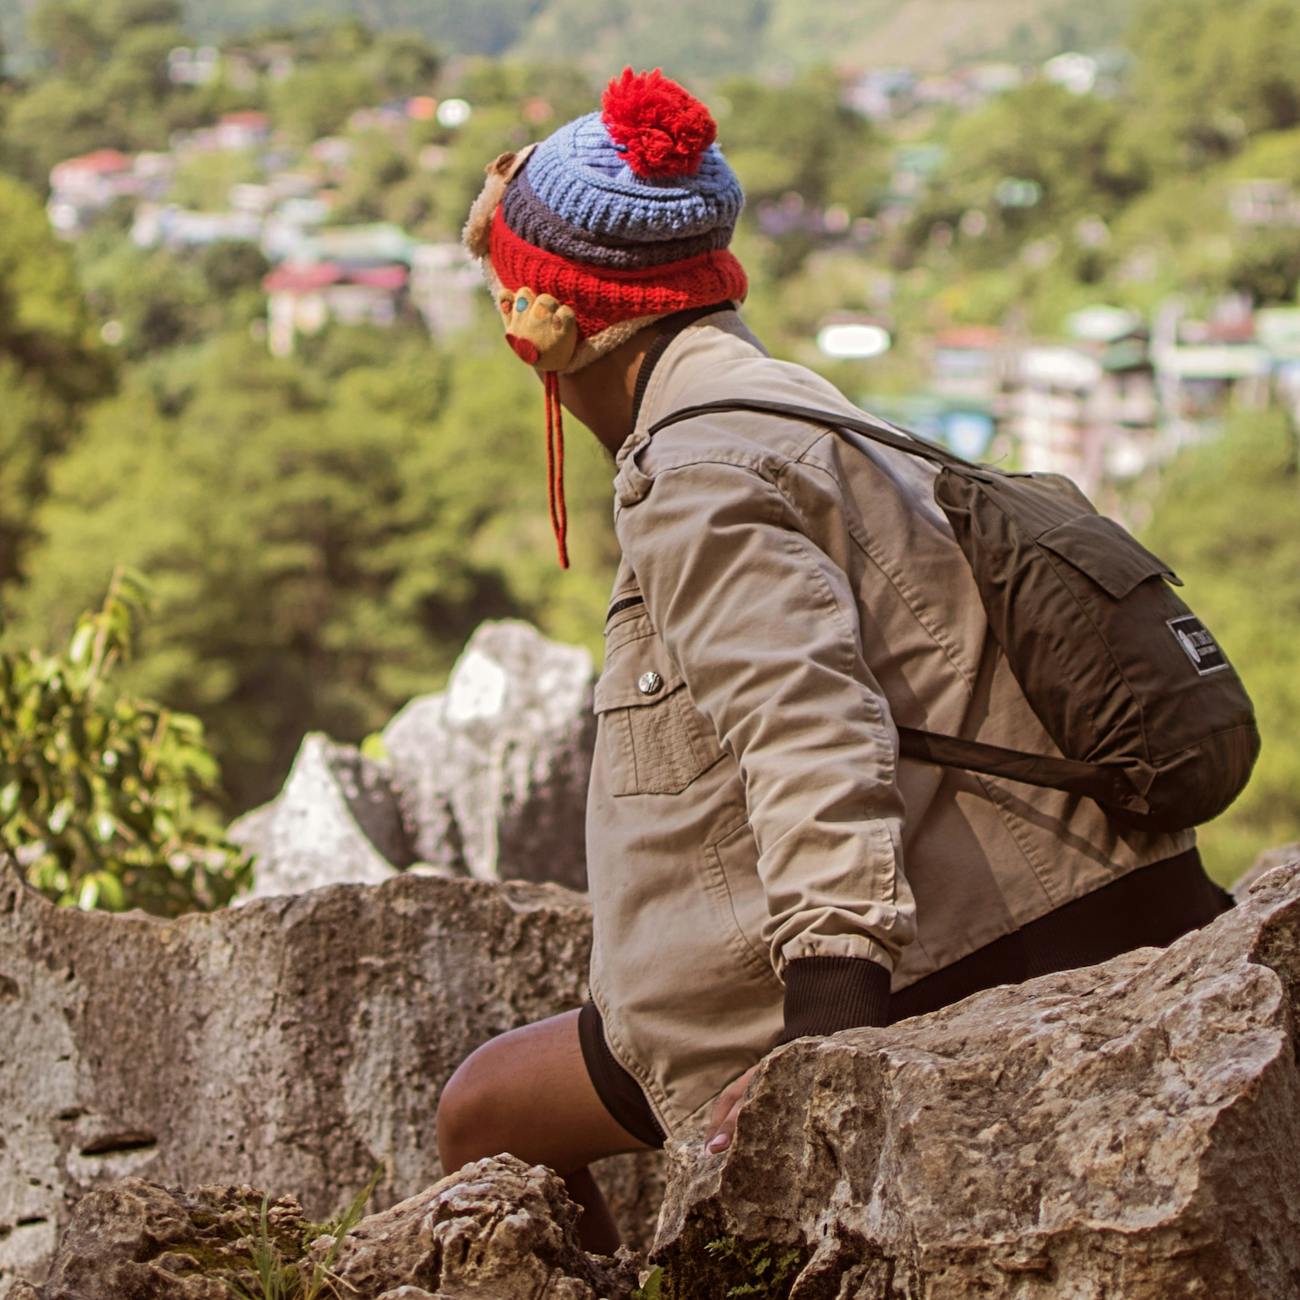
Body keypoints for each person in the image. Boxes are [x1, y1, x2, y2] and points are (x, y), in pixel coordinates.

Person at [434, 68, 1232, 1254]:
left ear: (548, 327)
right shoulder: (804, 404)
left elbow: (808, 729)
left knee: (483, 1112)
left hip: (949, 937)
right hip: (1091, 876)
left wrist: (831, 1027)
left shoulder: (695, 476)